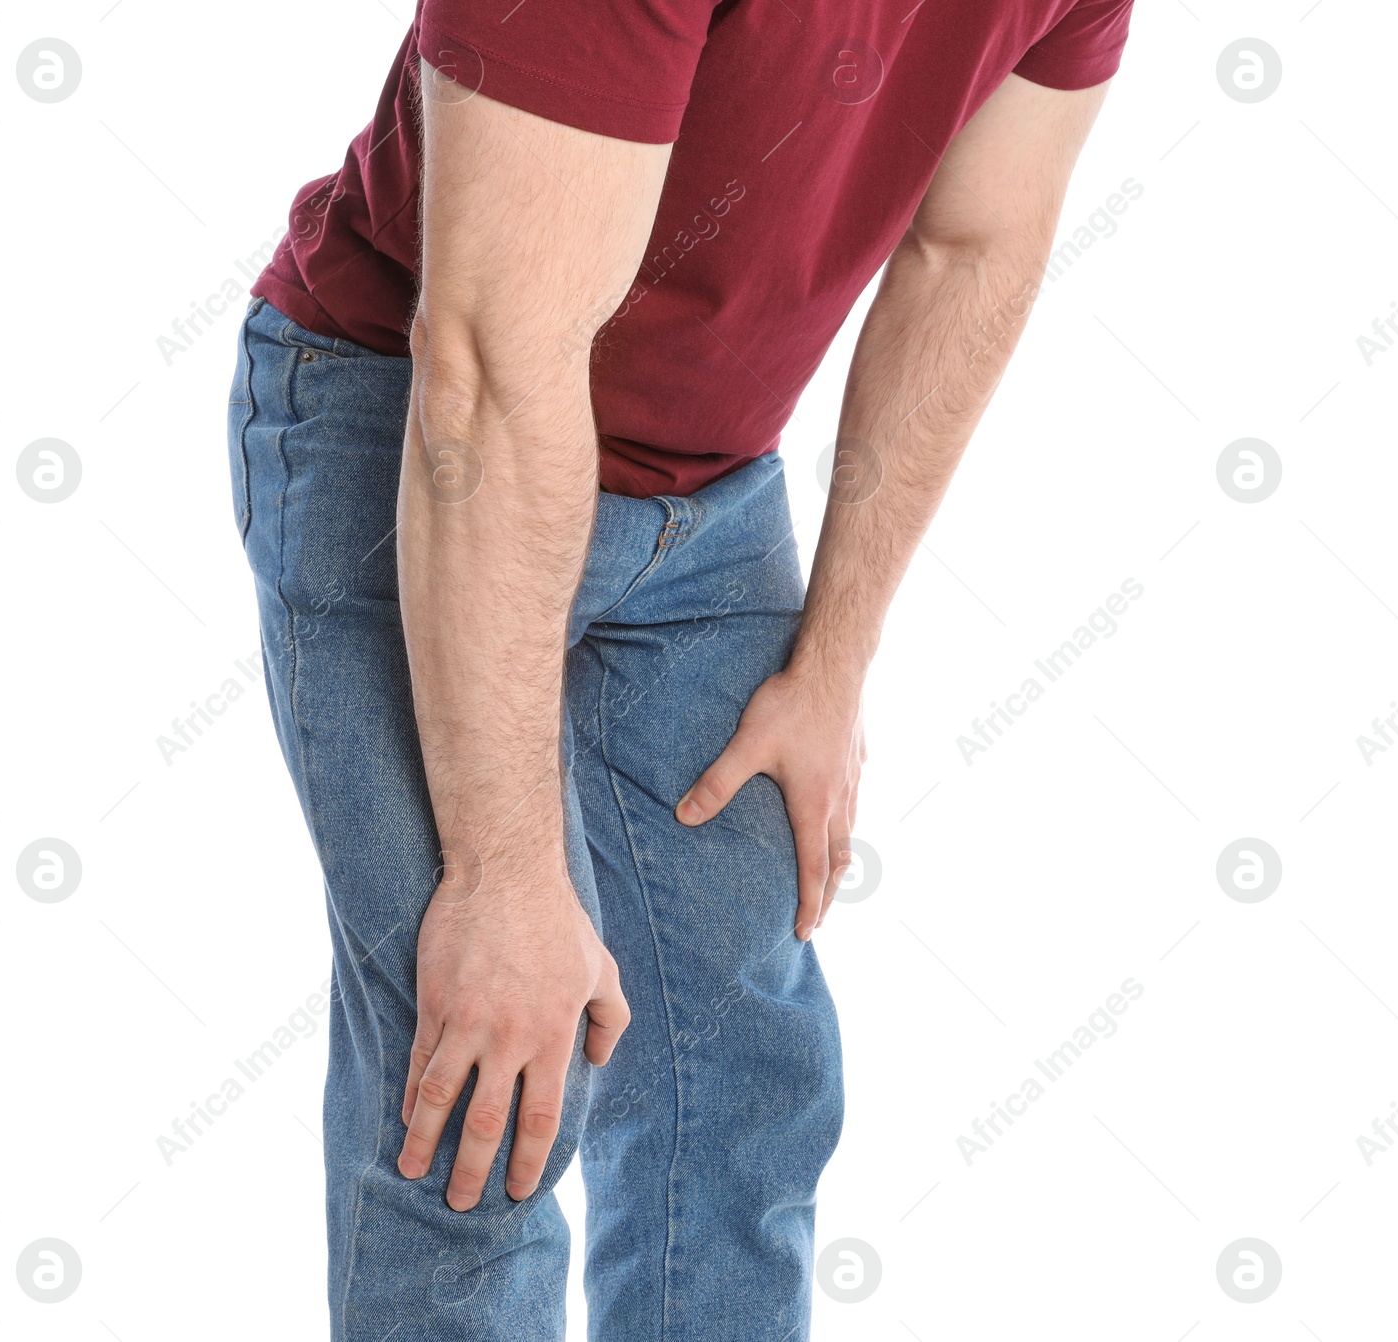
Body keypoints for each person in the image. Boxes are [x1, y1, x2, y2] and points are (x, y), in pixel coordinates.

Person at [226, 1, 1132, 1336]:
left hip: (707, 491)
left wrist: (831, 664)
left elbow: (972, 246)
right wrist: (504, 873)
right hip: (408, 434)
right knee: (488, 1086)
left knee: (747, 1078)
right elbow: (487, 365)